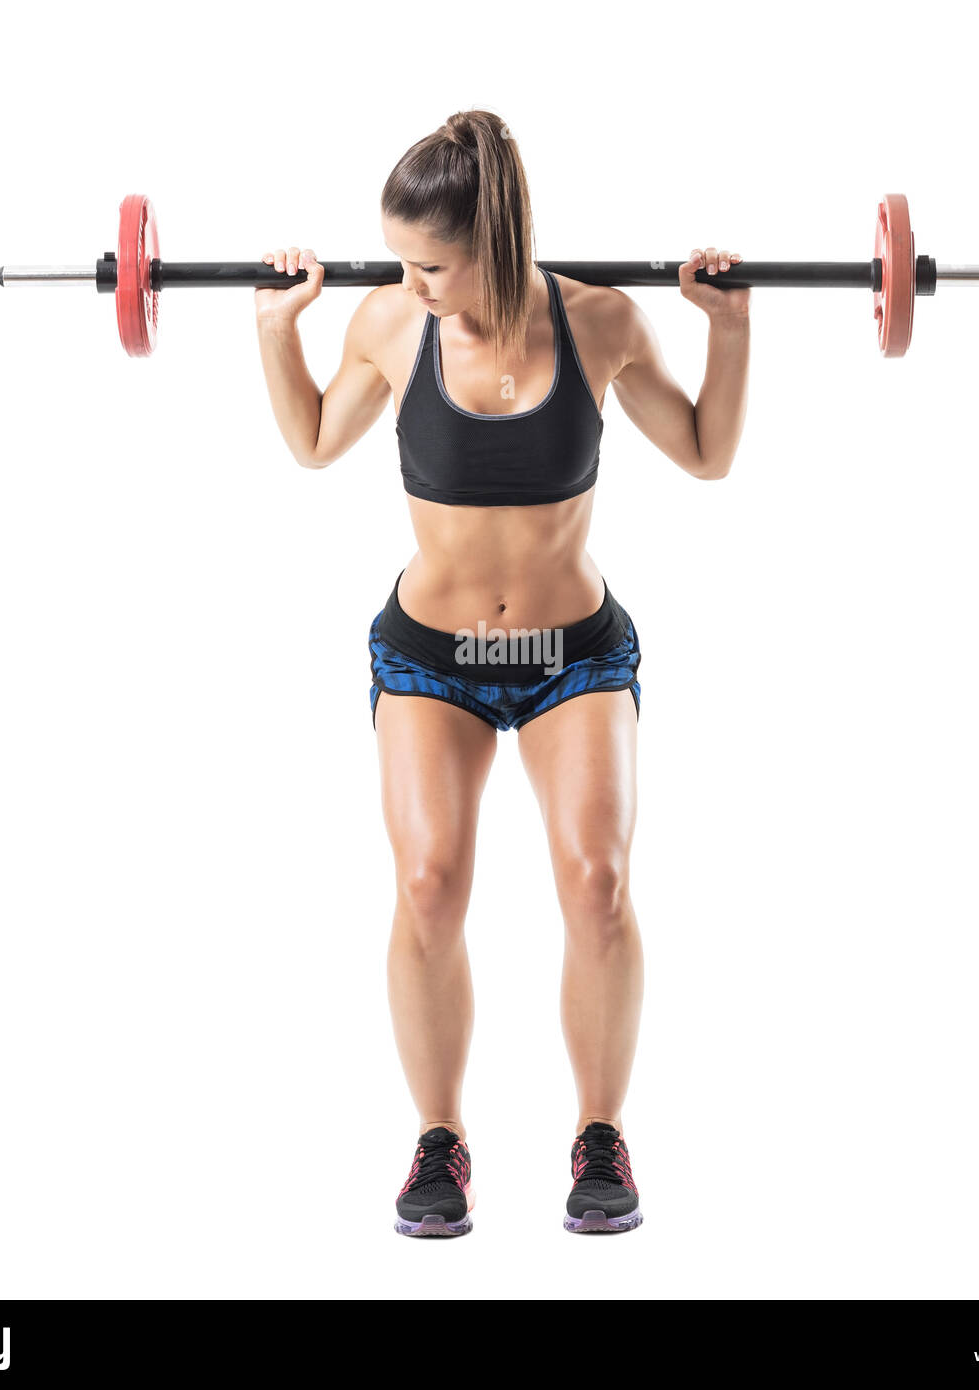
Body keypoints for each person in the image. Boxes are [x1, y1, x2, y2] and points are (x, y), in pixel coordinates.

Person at [255, 109, 749, 1236]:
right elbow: (315, 441)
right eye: (399, 259)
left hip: (570, 653)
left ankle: (599, 1134)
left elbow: (709, 454)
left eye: (429, 262)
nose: (406, 279)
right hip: (434, 658)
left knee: (598, 882)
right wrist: (275, 329)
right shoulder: (388, 320)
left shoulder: (598, 320)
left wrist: (728, 328)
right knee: (429, 882)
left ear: (493, 241)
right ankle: (439, 1140)